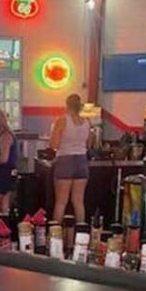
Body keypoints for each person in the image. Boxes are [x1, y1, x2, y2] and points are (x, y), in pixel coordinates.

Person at [50, 94, 91, 223]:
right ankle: (81, 235)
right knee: (79, 202)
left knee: (61, 202)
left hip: (65, 161)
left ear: (66, 105)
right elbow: (89, 144)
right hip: (82, 161)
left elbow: (54, 144)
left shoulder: (62, 120)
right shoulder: (87, 122)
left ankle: (56, 236)